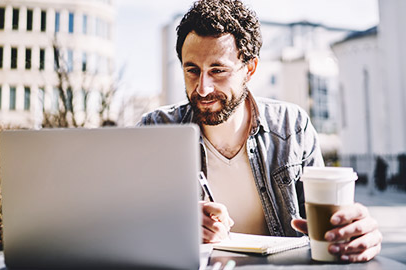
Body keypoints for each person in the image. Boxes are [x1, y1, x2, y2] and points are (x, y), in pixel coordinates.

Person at [138, 0, 382, 263]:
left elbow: (327, 229)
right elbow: (125, 223)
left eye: (218, 71)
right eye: (192, 71)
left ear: (250, 68)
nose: (203, 88)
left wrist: (353, 235)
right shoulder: (156, 129)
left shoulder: (292, 127)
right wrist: (169, 227)